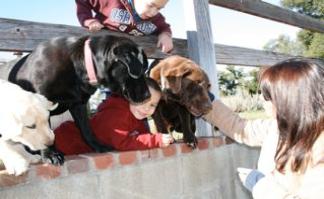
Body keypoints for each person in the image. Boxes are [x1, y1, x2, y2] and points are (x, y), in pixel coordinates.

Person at [203, 58, 324, 199]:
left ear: (288, 99)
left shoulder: (320, 149)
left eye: (267, 95)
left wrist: (260, 185)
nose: (261, 98)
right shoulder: (278, 128)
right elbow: (241, 128)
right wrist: (204, 99)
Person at [54, 78, 174, 155]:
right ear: (130, 96)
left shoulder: (136, 114)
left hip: (81, 146)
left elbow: (140, 135)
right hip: (67, 141)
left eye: (153, 105)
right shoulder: (117, 114)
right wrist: (155, 140)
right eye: (143, 100)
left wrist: (159, 138)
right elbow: (122, 143)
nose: (147, 108)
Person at [75, 0, 173, 53]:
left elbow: (164, 27)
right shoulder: (111, 2)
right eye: (151, 5)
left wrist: (165, 35)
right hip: (104, 50)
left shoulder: (156, 19)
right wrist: (88, 20)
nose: (153, 12)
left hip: (132, 55)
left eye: (159, 9)